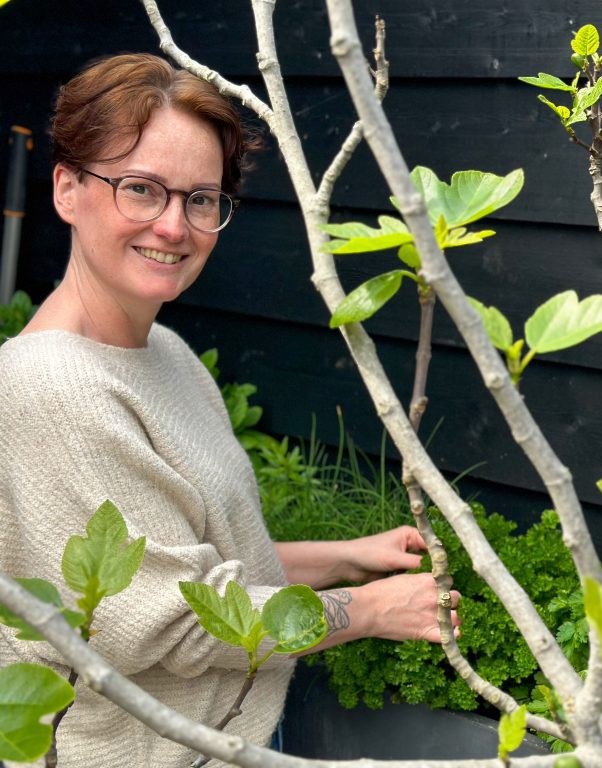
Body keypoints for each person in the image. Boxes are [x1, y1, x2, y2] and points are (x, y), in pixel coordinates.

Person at [0, 53, 459, 767]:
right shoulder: (52, 390)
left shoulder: (167, 354)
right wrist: (372, 610)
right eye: (141, 189)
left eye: (201, 198)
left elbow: (191, 569)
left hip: (233, 732)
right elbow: (180, 624)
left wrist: (344, 559)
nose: (174, 227)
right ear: (67, 189)